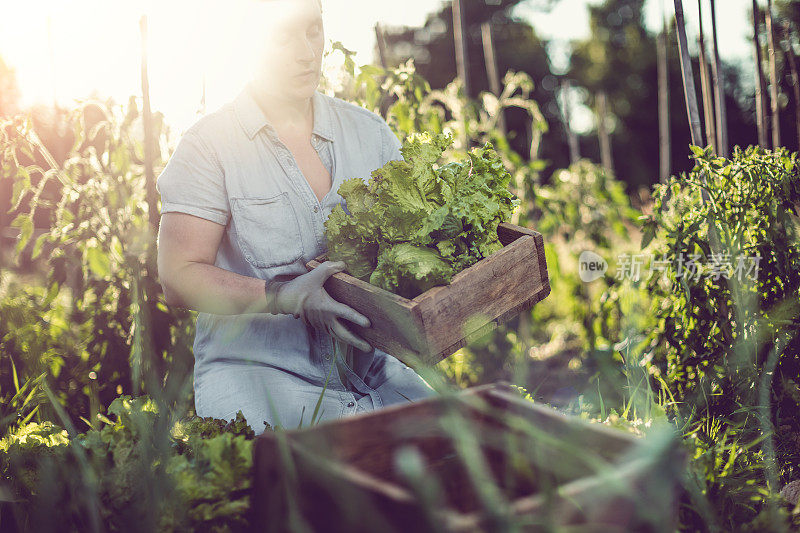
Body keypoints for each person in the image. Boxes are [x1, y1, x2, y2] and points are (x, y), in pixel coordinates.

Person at [155, 0, 436, 434]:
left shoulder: (370, 135)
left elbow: (406, 250)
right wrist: (287, 296)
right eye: (282, 35)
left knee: (457, 448)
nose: (306, 52)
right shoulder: (209, 146)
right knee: (329, 475)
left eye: (313, 30)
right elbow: (178, 276)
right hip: (259, 373)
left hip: (372, 371)